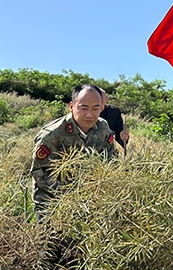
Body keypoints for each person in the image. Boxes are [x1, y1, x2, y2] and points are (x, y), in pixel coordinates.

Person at [31, 84, 117, 216]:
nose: (90, 114)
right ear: (71, 106)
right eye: (83, 108)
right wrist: (73, 196)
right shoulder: (52, 134)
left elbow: (111, 158)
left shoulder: (103, 128)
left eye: (96, 108)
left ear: (102, 108)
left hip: (91, 203)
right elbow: (40, 173)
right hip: (51, 204)